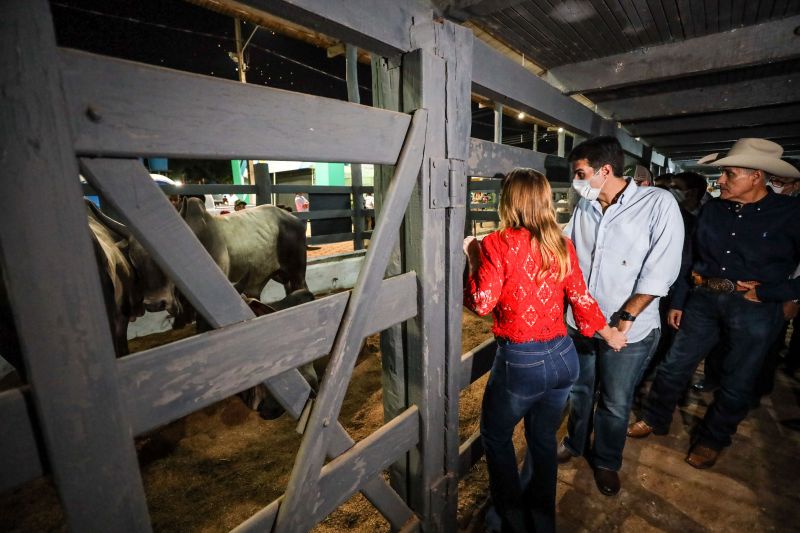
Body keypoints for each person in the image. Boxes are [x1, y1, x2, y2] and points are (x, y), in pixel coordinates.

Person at [463, 168, 626, 533]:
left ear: (509, 200)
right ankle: (541, 519)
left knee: (495, 435)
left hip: (522, 361)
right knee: (541, 439)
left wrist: (473, 256)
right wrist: (608, 333)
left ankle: (510, 517)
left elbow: (481, 302)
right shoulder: (560, 244)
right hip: (564, 357)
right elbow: (582, 299)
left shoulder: (496, 243)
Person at [628, 138, 800, 469]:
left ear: (756, 176)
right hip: (703, 300)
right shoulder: (713, 209)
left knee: (738, 380)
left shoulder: (790, 214)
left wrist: (775, 294)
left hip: (754, 308)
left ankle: (712, 438)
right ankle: (655, 417)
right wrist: (680, 299)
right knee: (675, 365)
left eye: (729, 174)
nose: (719, 181)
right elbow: (690, 258)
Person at [558, 136, 684, 497]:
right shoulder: (585, 207)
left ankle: (607, 461)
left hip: (627, 330)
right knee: (581, 390)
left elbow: (662, 270)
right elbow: (564, 247)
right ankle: (575, 442)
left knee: (614, 400)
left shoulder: (657, 204)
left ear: (605, 171)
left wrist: (625, 318)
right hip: (581, 324)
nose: (576, 181)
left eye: (580, 173)